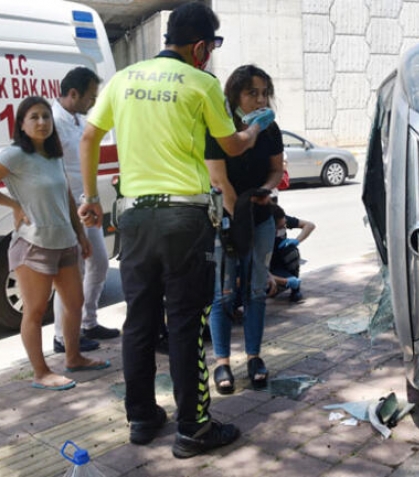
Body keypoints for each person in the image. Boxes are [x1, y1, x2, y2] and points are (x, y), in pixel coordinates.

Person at [76, 2, 272, 458]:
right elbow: (231, 146)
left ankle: (142, 418)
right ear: (200, 47)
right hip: (185, 219)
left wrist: (90, 200)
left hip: (134, 217)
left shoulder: (124, 78)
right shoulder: (201, 82)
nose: (210, 56)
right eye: (212, 47)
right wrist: (256, 128)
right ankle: (194, 428)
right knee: (186, 323)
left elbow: (88, 137)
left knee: (139, 320)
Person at [0, 96, 110, 392]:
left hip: (65, 242)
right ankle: (41, 372)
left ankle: (74, 357)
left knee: (75, 303)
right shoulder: (15, 155)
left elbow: (68, 197)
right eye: (34, 117)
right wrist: (14, 206)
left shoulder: (53, 155)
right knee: (33, 311)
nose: (42, 122)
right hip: (33, 245)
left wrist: (81, 235)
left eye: (46, 116)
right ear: (21, 124)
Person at [206, 64, 283, 396]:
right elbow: (219, 181)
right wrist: (237, 219)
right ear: (234, 94)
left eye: (264, 92)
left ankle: (254, 357)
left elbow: (276, 170)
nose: (260, 99)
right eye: (252, 92)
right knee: (222, 295)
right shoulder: (219, 128)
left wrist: (266, 191)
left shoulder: (270, 129)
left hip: (260, 218)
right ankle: (221, 362)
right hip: (224, 219)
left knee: (255, 291)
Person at [51, 66, 120, 354]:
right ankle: (62, 336)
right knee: (70, 274)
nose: (94, 102)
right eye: (91, 96)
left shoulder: (79, 120)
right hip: (67, 210)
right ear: (74, 93)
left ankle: (88, 322)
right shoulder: (52, 121)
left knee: (100, 263)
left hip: (86, 205)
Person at [268, 204, 315, 302]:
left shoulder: (282, 219)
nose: (285, 222)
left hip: (280, 262)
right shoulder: (260, 234)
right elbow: (257, 269)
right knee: (266, 287)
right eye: (281, 225)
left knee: (291, 251)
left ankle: (295, 290)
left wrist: (297, 241)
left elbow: (310, 225)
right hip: (266, 267)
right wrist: (284, 281)